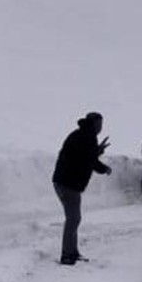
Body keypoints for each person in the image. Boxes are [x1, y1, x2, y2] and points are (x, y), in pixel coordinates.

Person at [53, 112, 112, 265]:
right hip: (68, 183)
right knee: (73, 219)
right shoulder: (87, 137)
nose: (100, 128)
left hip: (65, 182)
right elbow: (90, 160)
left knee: (74, 218)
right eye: (99, 125)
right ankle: (67, 255)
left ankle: (72, 252)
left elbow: (85, 156)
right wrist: (105, 168)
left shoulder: (83, 135)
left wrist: (97, 150)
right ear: (92, 124)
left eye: (101, 125)